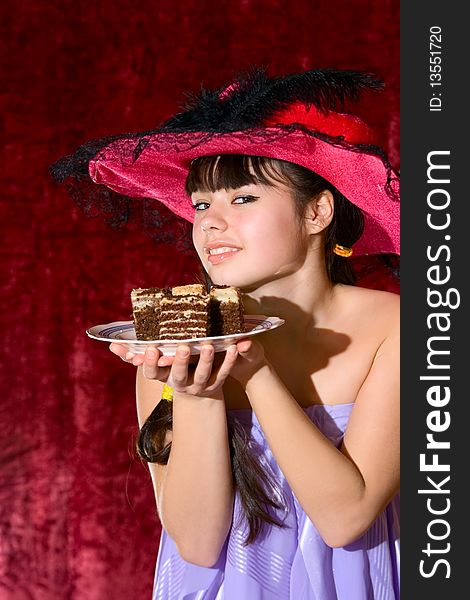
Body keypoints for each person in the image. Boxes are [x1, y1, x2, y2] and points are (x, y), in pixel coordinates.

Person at [51, 67, 400, 599]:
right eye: (201, 204)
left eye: (242, 199)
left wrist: (254, 370)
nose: (209, 223)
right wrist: (198, 394)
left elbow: (345, 517)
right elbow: (196, 542)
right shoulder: (172, 344)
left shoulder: (398, 330)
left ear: (318, 211)